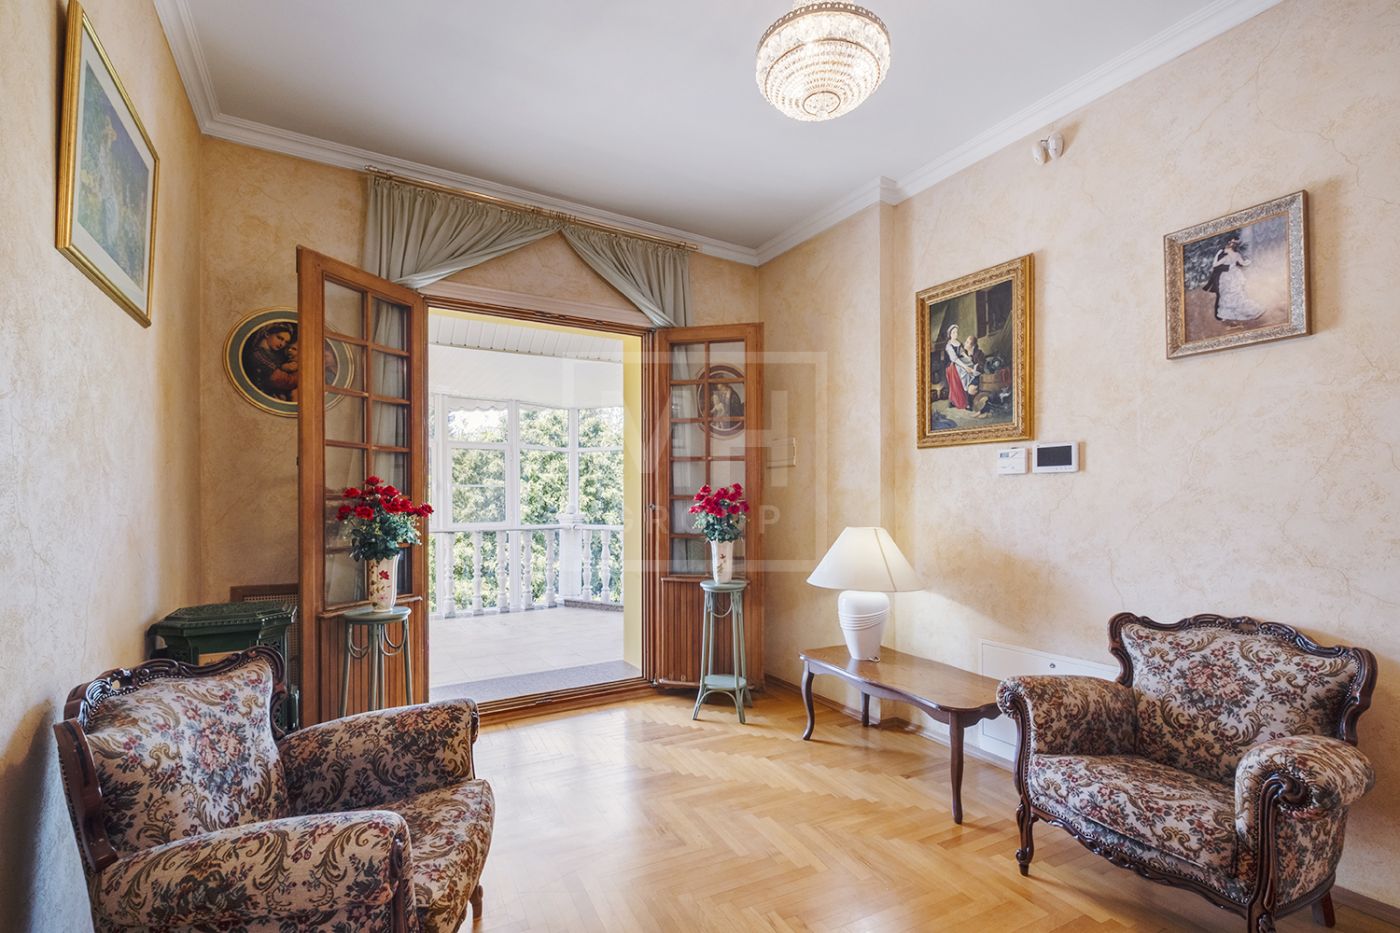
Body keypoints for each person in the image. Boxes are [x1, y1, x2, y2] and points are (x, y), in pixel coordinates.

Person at [1204, 236, 1264, 323]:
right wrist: (1247, 262)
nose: (1232, 245)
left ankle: (1228, 314)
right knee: (1232, 294)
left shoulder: (1228, 256)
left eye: (1234, 243)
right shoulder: (1232, 254)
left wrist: (1230, 265)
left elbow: (1215, 265)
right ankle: (1229, 313)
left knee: (1229, 294)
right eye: (1232, 242)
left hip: (1228, 276)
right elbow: (1243, 263)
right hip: (1231, 275)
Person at [246, 324, 298, 400]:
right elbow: (286, 381)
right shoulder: (258, 355)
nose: (282, 344)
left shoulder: (273, 355)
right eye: (279, 338)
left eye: (286, 342)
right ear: (267, 334)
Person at [943, 324, 985, 416]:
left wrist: (967, 358)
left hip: (961, 361)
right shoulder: (949, 346)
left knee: (970, 365)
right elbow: (954, 359)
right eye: (953, 332)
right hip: (953, 365)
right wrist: (965, 367)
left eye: (956, 332)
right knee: (965, 371)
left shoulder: (958, 342)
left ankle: (969, 390)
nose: (955, 334)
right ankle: (956, 400)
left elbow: (962, 352)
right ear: (949, 334)